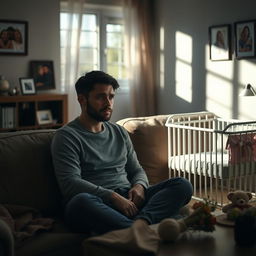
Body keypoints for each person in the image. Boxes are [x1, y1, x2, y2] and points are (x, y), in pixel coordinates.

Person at [51, 70, 193, 235]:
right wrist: (112, 197)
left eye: (111, 97)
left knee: (182, 185)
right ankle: (143, 228)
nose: (108, 103)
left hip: (128, 199)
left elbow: (136, 169)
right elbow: (70, 183)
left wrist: (139, 186)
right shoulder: (66, 136)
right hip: (96, 203)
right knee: (80, 202)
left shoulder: (119, 132)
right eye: (100, 97)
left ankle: (139, 224)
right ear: (82, 99)